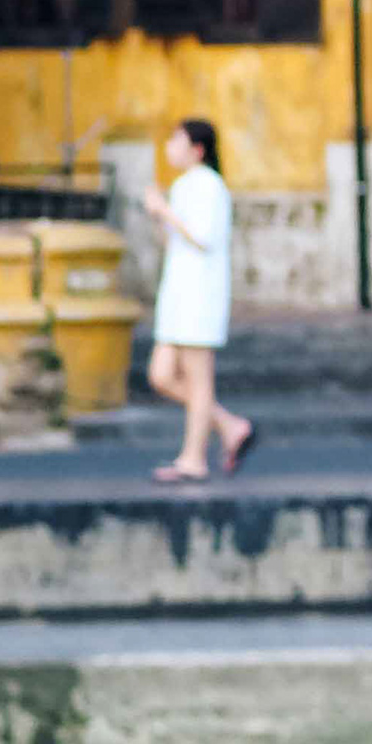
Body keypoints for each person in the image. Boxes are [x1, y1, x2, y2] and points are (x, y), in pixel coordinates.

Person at [139, 120, 252, 483]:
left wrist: (164, 210)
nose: (169, 147)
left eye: (177, 140)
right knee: (160, 375)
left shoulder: (210, 186)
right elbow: (174, 241)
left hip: (200, 295)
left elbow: (203, 237)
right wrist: (158, 213)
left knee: (199, 379)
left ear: (197, 149)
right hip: (177, 294)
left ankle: (193, 458)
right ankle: (228, 424)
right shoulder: (184, 186)